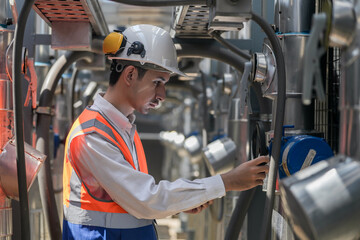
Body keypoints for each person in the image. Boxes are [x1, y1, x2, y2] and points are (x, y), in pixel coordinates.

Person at [62, 24, 269, 240]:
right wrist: (227, 182)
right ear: (130, 75)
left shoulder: (120, 126)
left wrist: (179, 204)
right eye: (157, 82)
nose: (162, 95)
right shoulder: (92, 135)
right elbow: (145, 200)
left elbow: (129, 201)